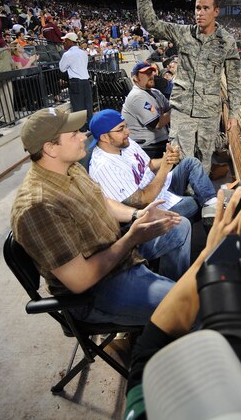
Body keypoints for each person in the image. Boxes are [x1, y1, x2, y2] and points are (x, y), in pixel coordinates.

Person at [122, 188, 241, 420]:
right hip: (118, 268)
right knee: (200, 306)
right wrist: (212, 258)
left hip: (128, 258)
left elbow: (145, 359)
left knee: (182, 224)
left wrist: (210, 255)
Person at [10, 107, 192, 325]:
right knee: (189, 305)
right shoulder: (38, 207)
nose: (83, 136)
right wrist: (132, 238)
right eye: (74, 133)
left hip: (116, 251)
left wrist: (137, 214)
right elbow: (81, 280)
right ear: (50, 148)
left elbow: (102, 200)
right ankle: (167, 315)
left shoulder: (70, 168)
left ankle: (163, 308)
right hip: (98, 288)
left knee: (178, 226)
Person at [136, 0, 241, 174]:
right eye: (197, 8)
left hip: (209, 114)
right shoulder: (182, 33)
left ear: (216, 11)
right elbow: (150, 23)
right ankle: (181, 200)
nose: (199, 13)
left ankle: (200, 202)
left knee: (204, 162)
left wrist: (234, 114)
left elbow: (234, 81)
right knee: (179, 161)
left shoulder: (227, 42)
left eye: (205, 8)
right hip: (182, 110)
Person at [88, 109, 218, 223]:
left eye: (125, 126)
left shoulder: (123, 143)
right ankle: (214, 221)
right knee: (193, 204)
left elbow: (148, 164)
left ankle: (213, 205)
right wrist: (164, 169)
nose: (127, 132)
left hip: (160, 188)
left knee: (190, 163)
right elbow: (143, 201)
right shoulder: (104, 167)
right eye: (121, 129)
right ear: (104, 137)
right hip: (150, 209)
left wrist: (167, 158)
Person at [122, 61, 171, 159]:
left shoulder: (155, 92)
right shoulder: (137, 96)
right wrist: (177, 110)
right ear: (135, 78)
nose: (152, 75)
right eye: (147, 73)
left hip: (160, 142)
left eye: (152, 72)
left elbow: (169, 109)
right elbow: (156, 124)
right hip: (147, 148)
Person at [59, 31, 93, 129]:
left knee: (78, 106)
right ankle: (90, 126)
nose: (64, 42)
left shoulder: (67, 54)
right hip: (85, 80)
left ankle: (82, 127)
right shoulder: (83, 53)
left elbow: (62, 68)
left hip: (75, 81)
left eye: (66, 40)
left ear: (70, 41)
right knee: (88, 105)